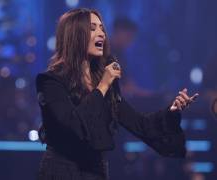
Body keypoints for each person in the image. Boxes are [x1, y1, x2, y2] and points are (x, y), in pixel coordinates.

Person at [36, 8, 199, 180]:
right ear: (75, 35)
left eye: (101, 28)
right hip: (62, 172)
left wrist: (172, 110)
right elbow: (73, 126)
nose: (101, 34)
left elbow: (140, 124)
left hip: (95, 173)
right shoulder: (51, 82)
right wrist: (104, 84)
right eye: (93, 28)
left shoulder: (107, 85)